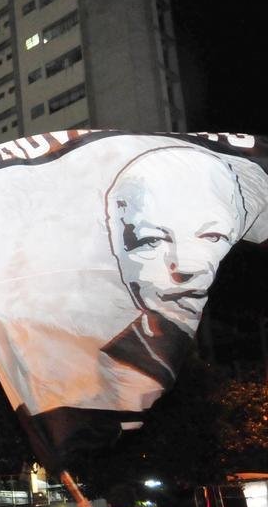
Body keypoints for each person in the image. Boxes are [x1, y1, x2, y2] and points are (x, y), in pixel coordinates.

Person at [101, 146, 249, 386]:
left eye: (211, 236)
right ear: (116, 252)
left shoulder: (234, 337)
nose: (183, 267)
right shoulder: (101, 373)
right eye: (152, 241)